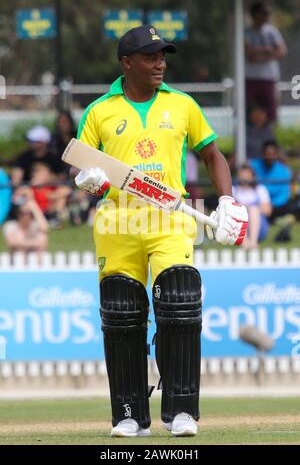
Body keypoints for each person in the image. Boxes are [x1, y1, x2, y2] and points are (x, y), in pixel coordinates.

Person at [71, 25, 248, 438]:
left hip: (171, 219)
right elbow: (80, 163)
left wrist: (226, 200)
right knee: (121, 315)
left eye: (163, 56)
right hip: (118, 221)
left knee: (181, 303)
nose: (160, 64)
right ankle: (129, 415)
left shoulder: (183, 104)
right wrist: (86, 179)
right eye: (150, 57)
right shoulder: (99, 111)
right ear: (126, 63)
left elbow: (212, 154)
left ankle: (181, 411)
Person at [245, 1, 287, 123]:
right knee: (249, 111)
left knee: (270, 113)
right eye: (263, 13)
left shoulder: (272, 32)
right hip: (250, 78)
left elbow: (282, 51)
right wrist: (267, 50)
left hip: (268, 77)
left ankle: (270, 139)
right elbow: (248, 53)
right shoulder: (247, 32)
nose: (266, 16)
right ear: (254, 15)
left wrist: (260, 55)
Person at [233, 164, 271, 249]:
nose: (244, 177)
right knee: (239, 210)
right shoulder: (233, 190)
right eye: (242, 175)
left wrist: (250, 209)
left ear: (252, 176)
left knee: (253, 210)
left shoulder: (260, 189)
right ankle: (245, 242)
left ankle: (253, 243)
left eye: (247, 175)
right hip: (236, 228)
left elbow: (268, 211)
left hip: (258, 226)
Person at [2, 194, 49, 260]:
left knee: (43, 236)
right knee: (20, 248)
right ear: (18, 214)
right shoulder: (10, 225)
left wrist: (35, 208)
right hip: (17, 259)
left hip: (34, 258)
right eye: (22, 213)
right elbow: (12, 243)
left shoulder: (35, 225)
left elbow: (45, 228)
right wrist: (34, 243)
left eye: (28, 213)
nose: (25, 216)